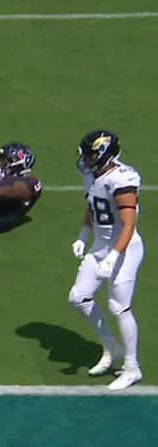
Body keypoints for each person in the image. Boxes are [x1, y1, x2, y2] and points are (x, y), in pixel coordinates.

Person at [69, 130, 145, 390]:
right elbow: (94, 205)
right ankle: (111, 347)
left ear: (104, 155)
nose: (85, 160)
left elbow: (128, 224)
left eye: (90, 155)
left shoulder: (122, 179)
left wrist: (113, 258)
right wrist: (83, 235)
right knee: (78, 297)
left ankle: (132, 367)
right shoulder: (91, 174)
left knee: (118, 307)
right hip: (101, 245)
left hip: (125, 249)